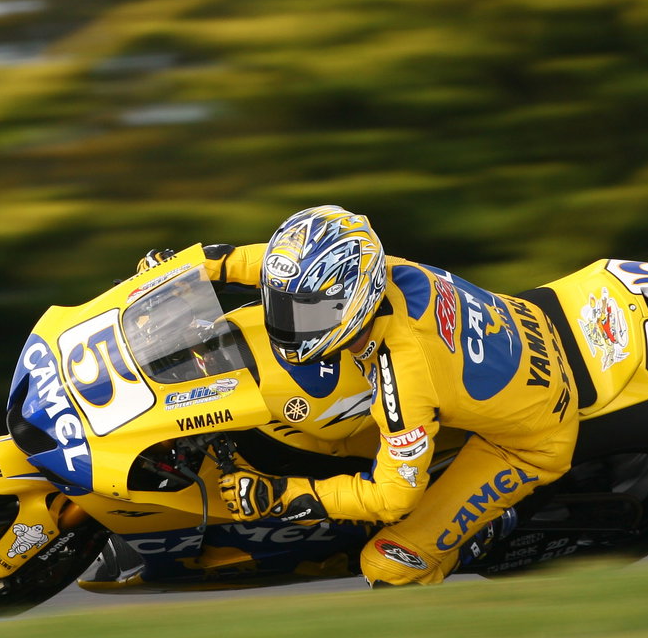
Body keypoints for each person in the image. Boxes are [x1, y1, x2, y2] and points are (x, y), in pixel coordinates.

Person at [141, 205, 580, 586]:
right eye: (282, 304)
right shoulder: (370, 271)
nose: (286, 322)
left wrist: (281, 494)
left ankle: (487, 529)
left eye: (306, 312)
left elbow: (391, 499)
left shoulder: (405, 377)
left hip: (525, 442)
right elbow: (262, 265)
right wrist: (185, 270)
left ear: (356, 300)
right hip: (518, 330)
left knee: (388, 566)